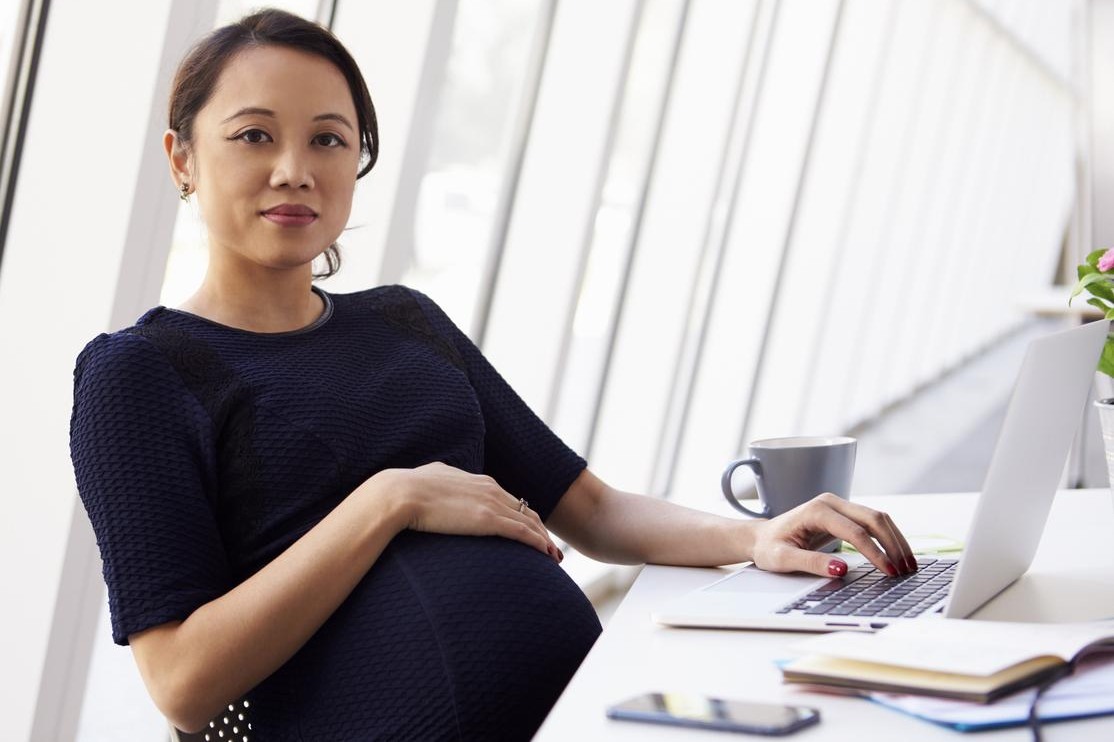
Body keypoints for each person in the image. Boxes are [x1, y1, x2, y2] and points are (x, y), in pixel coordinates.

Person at [69, 9, 916, 741]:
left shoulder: (404, 319)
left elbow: (593, 509)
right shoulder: (139, 374)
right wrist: (392, 499)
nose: (296, 167)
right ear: (182, 158)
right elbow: (181, 678)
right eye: (255, 135)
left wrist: (753, 538)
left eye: (328, 138)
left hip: (584, 709)